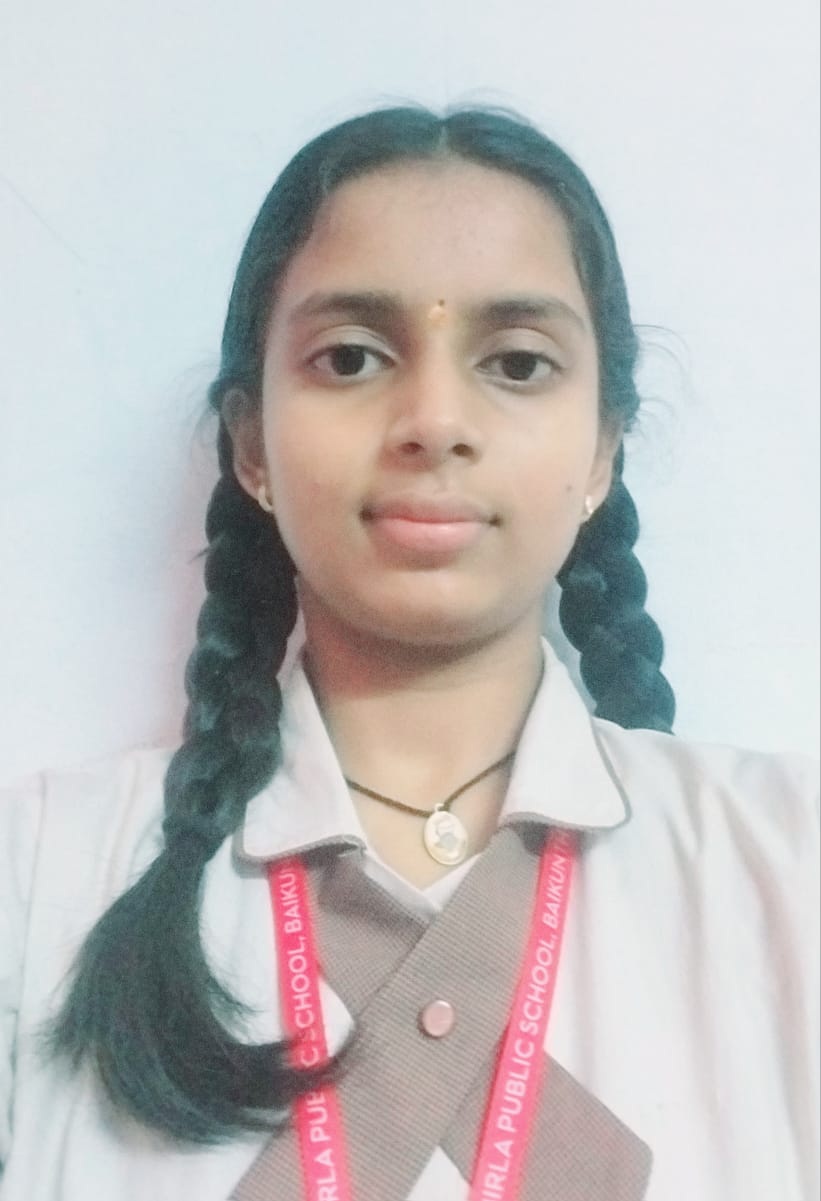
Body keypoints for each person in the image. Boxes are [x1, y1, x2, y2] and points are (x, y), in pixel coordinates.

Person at [0, 103, 817, 1201]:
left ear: (601, 452)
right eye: (350, 357)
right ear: (250, 444)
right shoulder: (38, 877)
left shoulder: (787, 864)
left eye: (516, 363)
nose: (433, 418)